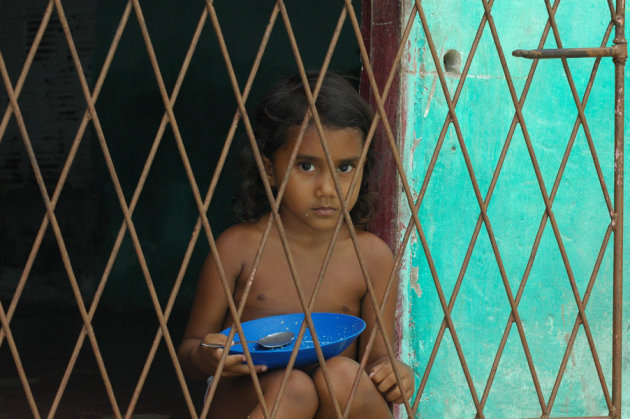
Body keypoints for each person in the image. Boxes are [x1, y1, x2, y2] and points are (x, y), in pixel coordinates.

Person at [177, 71, 415, 418]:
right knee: (294, 388)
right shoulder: (238, 249)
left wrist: (393, 373)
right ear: (270, 170)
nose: (328, 188)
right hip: (249, 397)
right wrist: (207, 354)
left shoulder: (372, 257)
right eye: (306, 166)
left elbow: (375, 359)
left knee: (343, 375)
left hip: (333, 403)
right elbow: (191, 352)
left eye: (346, 167)